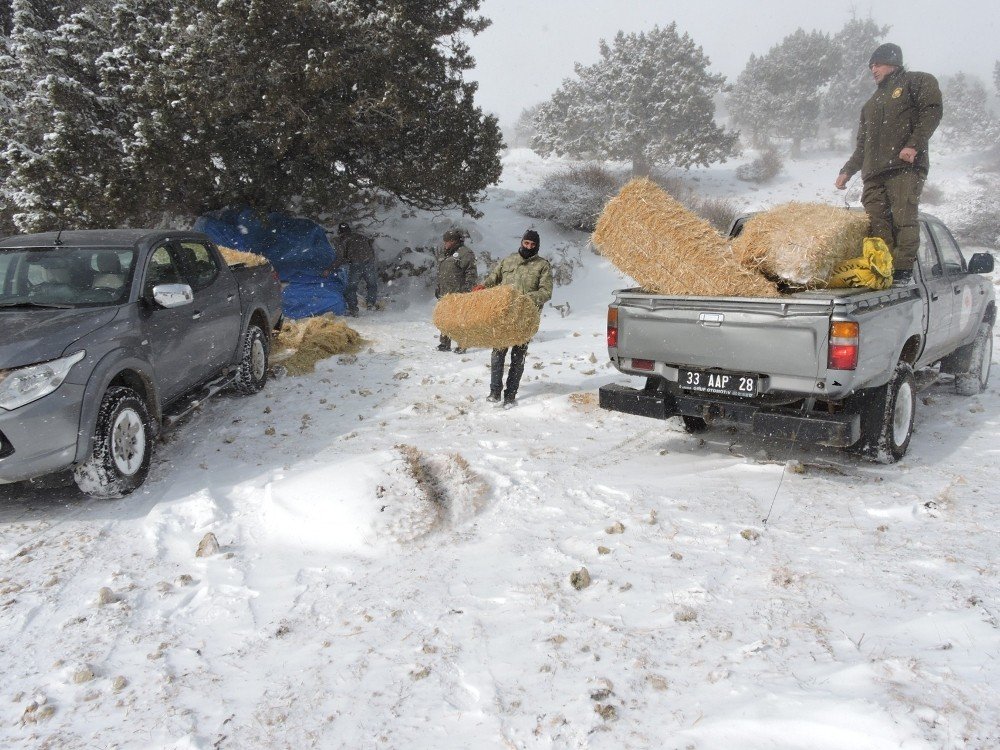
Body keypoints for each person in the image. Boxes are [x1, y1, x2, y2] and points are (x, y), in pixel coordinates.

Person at [835, 43, 942, 283]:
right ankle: (884, 270)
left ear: (894, 62)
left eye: (878, 64)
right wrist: (847, 170)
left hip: (903, 167)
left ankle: (902, 272)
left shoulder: (917, 81)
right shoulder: (870, 105)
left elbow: (931, 112)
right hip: (873, 173)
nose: (873, 69)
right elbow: (862, 145)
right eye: (871, 66)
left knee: (904, 219)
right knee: (876, 225)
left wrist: (913, 144)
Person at [481, 229, 553, 407]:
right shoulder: (508, 260)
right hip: (504, 315)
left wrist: (526, 299)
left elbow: (546, 292)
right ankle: (494, 392)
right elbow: (493, 278)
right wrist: (482, 286)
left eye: (532, 244)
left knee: (517, 357)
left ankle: (511, 395)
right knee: (497, 354)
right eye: (526, 243)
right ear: (522, 242)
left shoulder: (542, 265)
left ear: (537, 246)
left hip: (525, 318)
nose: (529, 246)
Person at [435, 228, 479, 353]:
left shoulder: (465, 253)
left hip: (459, 293)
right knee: (445, 319)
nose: (446, 244)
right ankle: (444, 343)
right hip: (445, 293)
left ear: (455, 241)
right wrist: (438, 287)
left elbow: (471, 273)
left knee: (460, 320)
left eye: (448, 241)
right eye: (445, 241)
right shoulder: (444, 253)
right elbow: (441, 272)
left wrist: (466, 290)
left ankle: (462, 344)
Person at [324, 222, 378, 316]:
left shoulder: (340, 240)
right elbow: (371, 249)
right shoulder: (361, 236)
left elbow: (340, 258)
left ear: (340, 232)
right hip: (368, 262)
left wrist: (329, 269)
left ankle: (353, 309)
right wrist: (370, 259)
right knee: (372, 285)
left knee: (351, 288)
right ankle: (370, 304)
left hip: (356, 264)